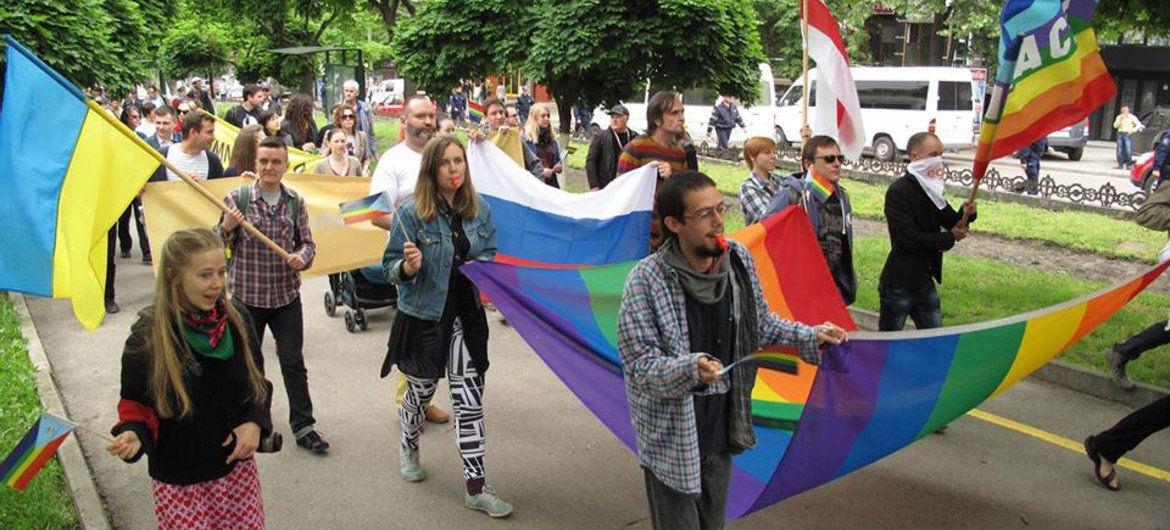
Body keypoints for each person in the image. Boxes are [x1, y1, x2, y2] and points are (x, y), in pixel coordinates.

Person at [617, 171, 847, 530]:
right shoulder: (646, 281)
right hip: (673, 436)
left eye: (721, 209)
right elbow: (641, 367)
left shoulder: (737, 259)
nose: (720, 221)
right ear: (674, 223)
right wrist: (692, 369)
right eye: (705, 214)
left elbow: (761, 324)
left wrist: (812, 335)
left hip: (722, 429)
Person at [106, 228, 272, 529]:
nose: (217, 284)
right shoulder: (148, 335)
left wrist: (254, 423)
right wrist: (133, 434)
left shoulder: (238, 318)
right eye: (205, 275)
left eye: (222, 272)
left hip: (236, 477)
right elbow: (135, 404)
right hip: (181, 486)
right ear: (174, 276)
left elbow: (257, 386)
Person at [381, 135, 512, 518]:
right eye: (446, 163)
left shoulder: (480, 209)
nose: (454, 169)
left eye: (459, 161)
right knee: (420, 393)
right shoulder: (410, 214)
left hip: (466, 321)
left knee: (469, 404)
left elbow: (489, 253)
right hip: (424, 318)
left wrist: (484, 268)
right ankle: (408, 443)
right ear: (432, 169)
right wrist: (407, 267)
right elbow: (389, 268)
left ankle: (476, 486)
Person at [216, 137, 330, 454]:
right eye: (264, 161)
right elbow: (215, 249)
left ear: (285, 166)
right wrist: (225, 226)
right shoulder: (237, 198)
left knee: (293, 362)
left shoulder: (294, 201)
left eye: (276, 162)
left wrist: (301, 257)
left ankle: (304, 426)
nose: (269, 167)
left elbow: (308, 244)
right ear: (256, 163)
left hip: (285, 298)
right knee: (251, 366)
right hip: (246, 298)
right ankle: (258, 426)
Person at [369, 96, 451, 424]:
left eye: (432, 115)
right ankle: (409, 405)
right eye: (420, 116)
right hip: (410, 264)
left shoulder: (444, 155)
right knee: (415, 335)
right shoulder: (393, 161)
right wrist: (417, 236)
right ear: (405, 122)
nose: (428, 121)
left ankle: (424, 397)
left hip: (445, 266)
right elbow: (375, 214)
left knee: (441, 334)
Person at [878, 131, 977, 332]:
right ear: (915, 156)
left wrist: (967, 214)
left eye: (941, 154)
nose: (938, 160)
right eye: (933, 155)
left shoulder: (932, 189)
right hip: (899, 285)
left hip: (924, 282)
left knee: (935, 340)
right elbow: (907, 239)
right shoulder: (899, 191)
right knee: (888, 346)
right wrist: (949, 238)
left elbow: (951, 220)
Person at [763, 135, 857, 305]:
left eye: (840, 158)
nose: (837, 163)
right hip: (800, 292)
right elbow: (765, 232)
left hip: (834, 291)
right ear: (808, 164)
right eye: (829, 159)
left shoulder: (843, 197)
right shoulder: (791, 195)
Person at [617, 91, 690, 247]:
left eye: (682, 111)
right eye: (674, 113)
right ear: (657, 120)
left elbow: (685, 194)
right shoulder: (635, 149)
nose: (682, 117)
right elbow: (621, 194)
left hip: (671, 239)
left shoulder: (680, 153)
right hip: (640, 239)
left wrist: (671, 178)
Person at [469, 97, 544, 179]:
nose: (499, 116)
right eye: (494, 113)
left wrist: (536, 186)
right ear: (485, 117)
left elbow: (535, 164)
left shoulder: (513, 137)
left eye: (501, 112)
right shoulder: (480, 139)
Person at [115, 106, 151, 261]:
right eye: (133, 117)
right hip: (123, 182)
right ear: (126, 118)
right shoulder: (118, 135)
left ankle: (146, 251)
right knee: (123, 217)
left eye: (138, 117)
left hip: (138, 182)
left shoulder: (142, 137)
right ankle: (125, 245)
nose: (137, 120)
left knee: (141, 215)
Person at [149, 111, 226, 182]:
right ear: (193, 132)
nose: (214, 137)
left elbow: (220, 194)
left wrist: (202, 187)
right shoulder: (160, 156)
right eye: (209, 132)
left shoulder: (213, 161)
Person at [586, 104, 634, 191]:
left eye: (618, 117)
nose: (614, 120)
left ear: (626, 118)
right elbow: (591, 162)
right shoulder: (600, 137)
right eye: (612, 117)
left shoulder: (635, 138)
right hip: (605, 187)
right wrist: (594, 186)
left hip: (628, 188)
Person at [737, 136, 780, 226]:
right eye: (767, 153)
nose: (773, 156)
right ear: (752, 156)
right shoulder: (747, 188)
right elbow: (768, 219)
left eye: (774, 152)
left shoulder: (779, 180)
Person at [521, 103, 564, 188]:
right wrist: (541, 171)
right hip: (533, 184)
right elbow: (522, 165)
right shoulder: (526, 139)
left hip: (551, 184)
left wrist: (558, 167)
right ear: (534, 118)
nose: (546, 119)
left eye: (548, 116)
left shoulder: (552, 139)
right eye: (543, 116)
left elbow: (557, 160)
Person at [320, 104, 372, 171]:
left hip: (356, 175)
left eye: (351, 116)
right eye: (344, 117)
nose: (348, 119)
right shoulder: (330, 134)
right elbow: (322, 156)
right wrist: (330, 147)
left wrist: (364, 171)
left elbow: (366, 159)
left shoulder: (361, 136)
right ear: (339, 120)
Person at [343, 79, 378, 161]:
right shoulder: (339, 108)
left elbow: (370, 132)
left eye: (351, 91)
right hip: (345, 148)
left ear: (357, 93)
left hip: (362, 149)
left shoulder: (365, 108)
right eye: (346, 91)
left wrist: (374, 151)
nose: (348, 93)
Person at [1112, 105, 1143, 170]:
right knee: (1119, 150)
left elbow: (1139, 124)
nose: (1124, 111)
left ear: (1128, 110)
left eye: (1125, 110)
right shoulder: (1119, 117)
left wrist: (1133, 130)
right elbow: (1115, 126)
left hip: (1127, 133)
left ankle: (1128, 165)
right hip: (1120, 133)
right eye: (1123, 110)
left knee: (1128, 149)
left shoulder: (1132, 117)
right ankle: (1120, 164)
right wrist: (1120, 119)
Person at [1151, 126, 1170, 191]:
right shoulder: (1168, 136)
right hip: (1167, 169)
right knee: (1161, 191)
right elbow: (1162, 152)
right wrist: (1157, 168)